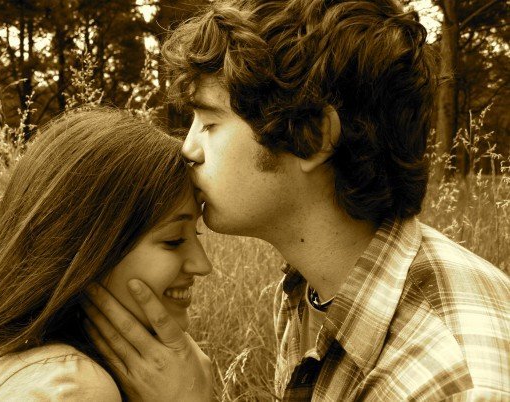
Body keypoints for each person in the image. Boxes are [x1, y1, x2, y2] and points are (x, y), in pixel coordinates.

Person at [83, 0, 510, 400]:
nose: (188, 148)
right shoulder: (312, 288)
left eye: (210, 122)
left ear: (312, 138)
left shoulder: (447, 380)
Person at [0, 108, 213, 401]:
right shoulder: (74, 388)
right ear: (87, 251)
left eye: (195, 234)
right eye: (173, 240)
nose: (203, 265)